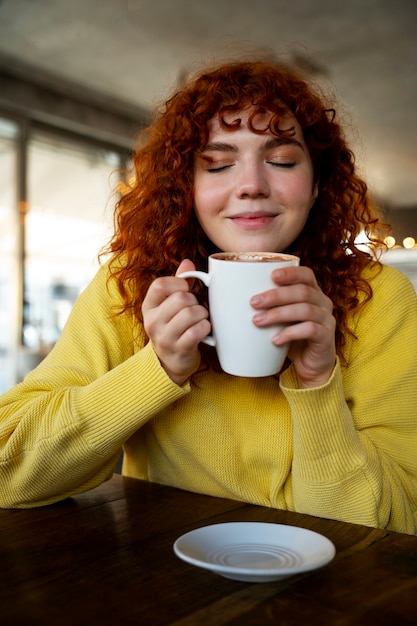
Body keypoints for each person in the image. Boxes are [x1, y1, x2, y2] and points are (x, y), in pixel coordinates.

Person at [0, 58, 416, 534]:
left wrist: (318, 381)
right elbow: (6, 473)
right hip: (163, 579)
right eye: (217, 164)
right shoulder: (131, 284)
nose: (252, 186)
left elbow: (396, 527)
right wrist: (156, 369)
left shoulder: (381, 298)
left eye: (281, 161)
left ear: (318, 183)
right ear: (188, 187)